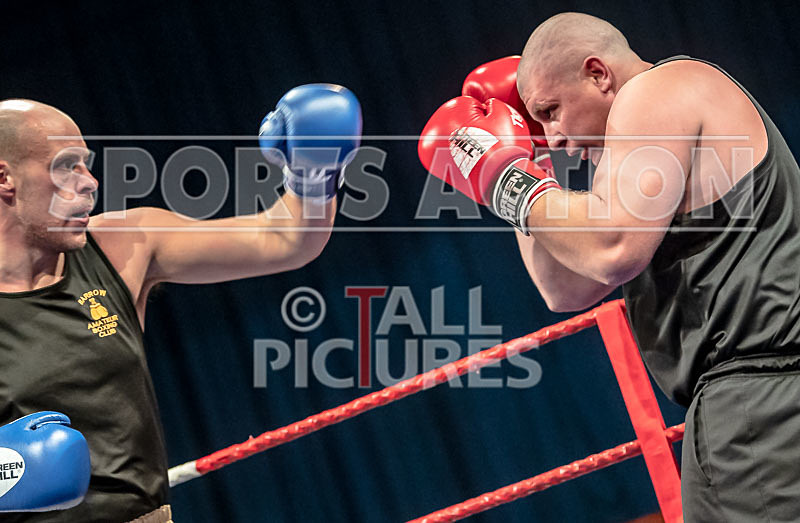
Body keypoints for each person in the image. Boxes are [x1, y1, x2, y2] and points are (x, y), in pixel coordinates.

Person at [419, 12, 800, 522]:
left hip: (764, 397)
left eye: (550, 111)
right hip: (734, 403)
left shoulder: (660, 89)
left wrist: (504, 178)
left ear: (598, 74)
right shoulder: (627, 160)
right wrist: (526, 166)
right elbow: (564, 287)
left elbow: (612, 249)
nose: (552, 136)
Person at [0, 85, 361, 522]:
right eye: (64, 166)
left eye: (85, 164)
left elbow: (286, 239)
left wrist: (315, 173)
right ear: (5, 179)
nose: (89, 181)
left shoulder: (120, 246)